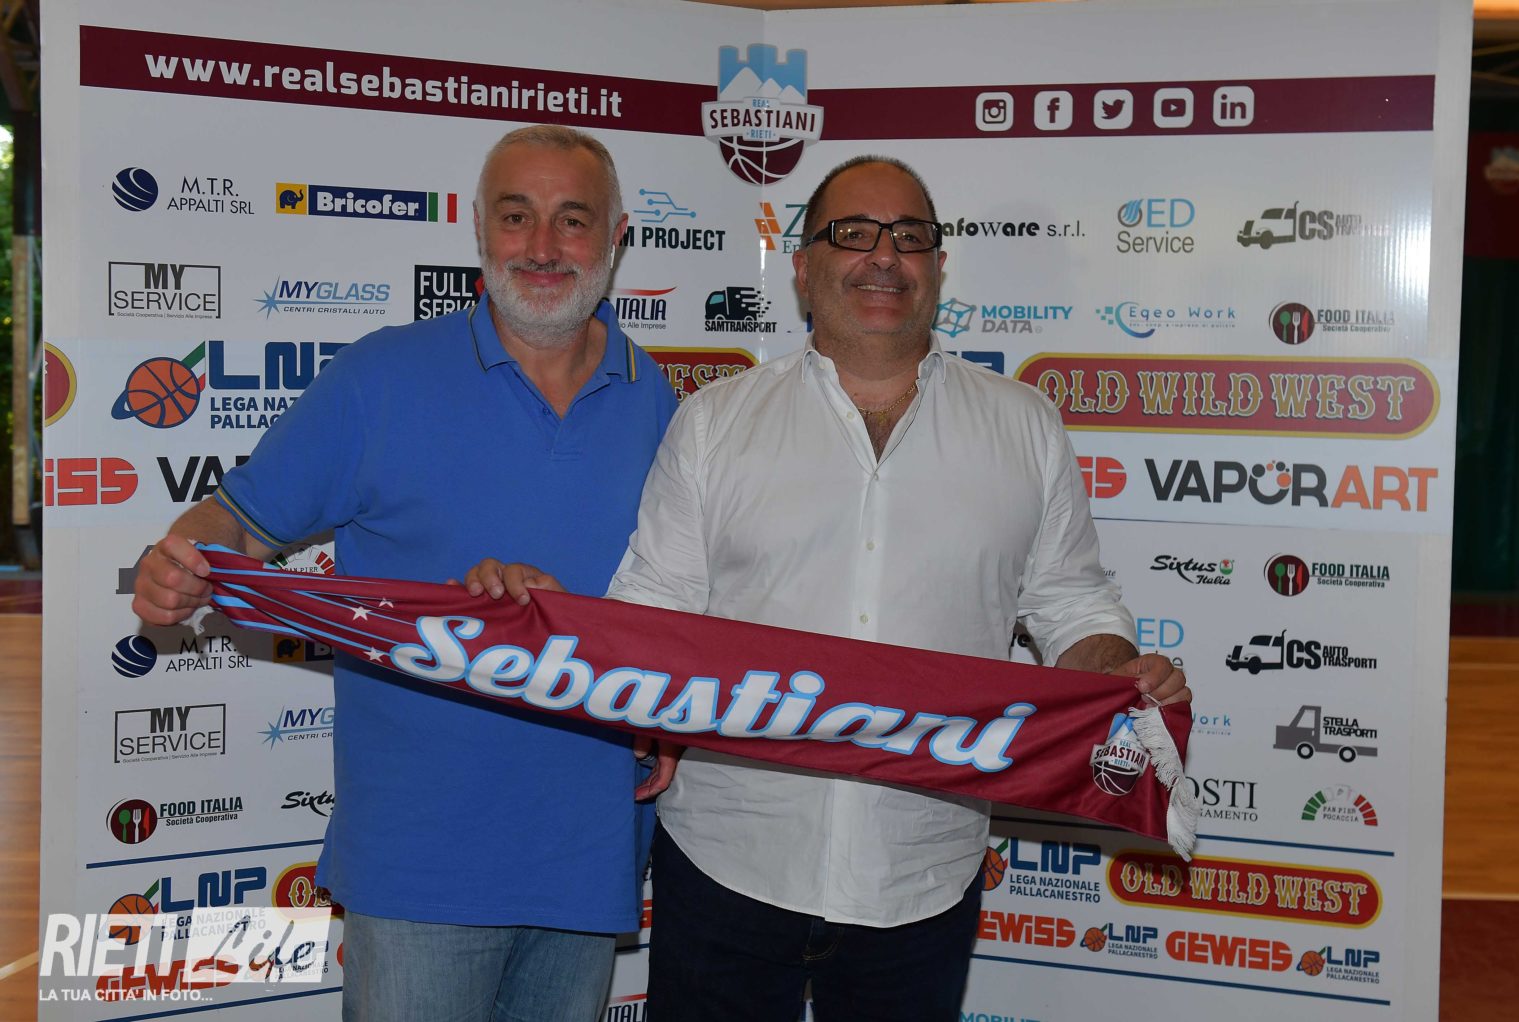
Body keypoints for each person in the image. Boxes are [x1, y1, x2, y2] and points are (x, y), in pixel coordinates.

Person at [466, 155, 1192, 1020]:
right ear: (804, 267)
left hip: (923, 870)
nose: (883, 256)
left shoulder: (1024, 427)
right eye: (853, 234)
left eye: (909, 237)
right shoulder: (715, 423)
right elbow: (652, 615)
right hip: (728, 862)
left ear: (938, 267)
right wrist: (553, 623)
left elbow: (1072, 602)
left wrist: (1115, 670)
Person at [132, 125, 677, 1022]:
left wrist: (667, 717)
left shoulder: (656, 398)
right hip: (420, 859)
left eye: (573, 220)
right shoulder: (379, 378)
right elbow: (234, 520)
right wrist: (178, 560)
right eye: (517, 216)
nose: (543, 246)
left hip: (586, 854)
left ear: (616, 238)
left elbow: (677, 609)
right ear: (479, 229)